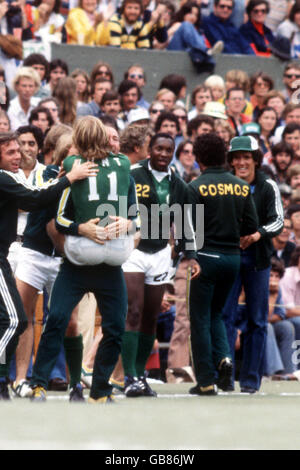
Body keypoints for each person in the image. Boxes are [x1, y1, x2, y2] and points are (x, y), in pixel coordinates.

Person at [30, 116, 139, 403]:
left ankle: (100, 388)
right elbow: (60, 218)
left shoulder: (122, 171)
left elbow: (136, 218)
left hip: (109, 266)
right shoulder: (74, 171)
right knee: (57, 320)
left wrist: (125, 224)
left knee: (115, 326)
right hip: (76, 265)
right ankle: (39, 383)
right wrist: (82, 227)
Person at [0, 130, 96, 400]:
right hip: (32, 252)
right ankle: (14, 379)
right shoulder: (25, 177)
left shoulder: (83, 180)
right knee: (16, 319)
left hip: (55, 258)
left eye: (20, 151)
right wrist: (67, 181)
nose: (18, 155)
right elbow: (36, 202)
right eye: (11, 151)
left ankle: (70, 381)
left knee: (57, 322)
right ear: (60, 156)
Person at [121, 132, 200, 397]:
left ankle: (140, 375)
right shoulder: (132, 174)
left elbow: (189, 219)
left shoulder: (178, 183)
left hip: (160, 253)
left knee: (151, 317)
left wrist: (191, 254)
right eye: (159, 148)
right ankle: (129, 376)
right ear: (149, 150)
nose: (164, 154)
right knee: (133, 310)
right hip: (132, 250)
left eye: (169, 149)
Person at [188, 133, 258, 396]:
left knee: (200, 318)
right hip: (233, 260)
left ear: (198, 158)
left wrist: (190, 254)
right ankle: (225, 359)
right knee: (216, 313)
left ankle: (205, 378)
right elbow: (251, 226)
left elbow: (188, 228)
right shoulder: (240, 186)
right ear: (223, 157)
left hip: (205, 259)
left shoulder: (195, 186)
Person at [222, 135, 284, 394]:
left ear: (255, 160)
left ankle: (250, 381)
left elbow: (278, 220)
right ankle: (223, 377)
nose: (241, 161)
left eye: (246, 157)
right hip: (231, 256)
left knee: (258, 319)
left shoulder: (268, 185)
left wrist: (257, 234)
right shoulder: (225, 184)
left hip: (258, 258)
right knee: (225, 316)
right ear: (231, 161)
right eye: (237, 157)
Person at [7, 67, 41, 131]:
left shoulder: (40, 104)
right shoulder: (10, 107)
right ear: (17, 86)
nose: (27, 90)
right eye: (24, 86)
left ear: (35, 87)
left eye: (31, 86)